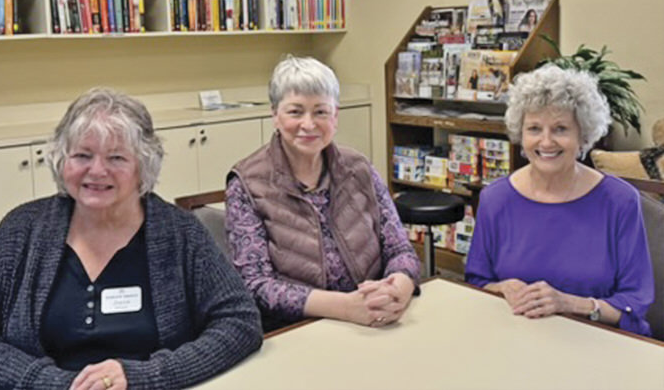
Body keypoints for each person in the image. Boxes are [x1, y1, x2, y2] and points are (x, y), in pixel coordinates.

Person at [0, 88, 262, 389]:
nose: (97, 171)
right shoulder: (22, 229)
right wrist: (61, 385)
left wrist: (146, 376)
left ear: (144, 166)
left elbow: (240, 321)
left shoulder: (181, 233)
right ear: (62, 161)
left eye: (116, 158)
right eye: (82, 155)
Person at [225, 56, 420, 332]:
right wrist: (346, 307)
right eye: (295, 112)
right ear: (275, 115)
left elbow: (400, 250)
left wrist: (397, 289)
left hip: (374, 321)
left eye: (320, 112)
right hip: (298, 330)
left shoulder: (359, 168)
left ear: (335, 116)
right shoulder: (246, 183)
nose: (309, 124)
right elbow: (256, 285)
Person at [465, 65, 654, 336]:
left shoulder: (620, 201)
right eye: (534, 128)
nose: (546, 142)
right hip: (515, 338)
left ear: (583, 136)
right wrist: (501, 288)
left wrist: (571, 304)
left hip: (596, 342)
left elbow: (634, 304)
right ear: (521, 135)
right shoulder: (495, 199)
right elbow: (477, 281)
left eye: (560, 129)